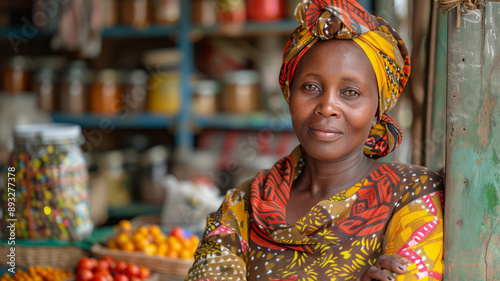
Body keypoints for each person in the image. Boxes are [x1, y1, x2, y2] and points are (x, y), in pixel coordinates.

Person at [185, 0, 444, 280]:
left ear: (376, 113)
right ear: (290, 95)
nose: (327, 105)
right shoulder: (245, 204)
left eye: (351, 92)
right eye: (311, 87)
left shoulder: (411, 193)